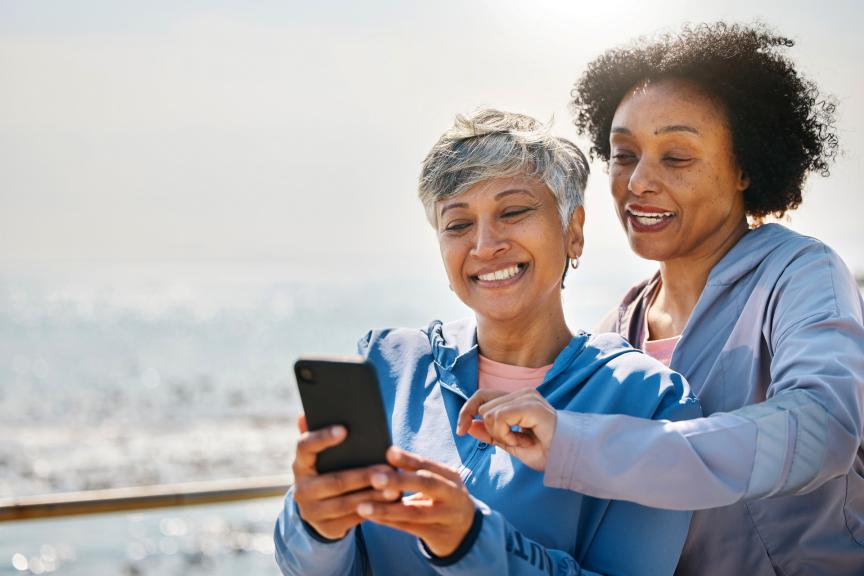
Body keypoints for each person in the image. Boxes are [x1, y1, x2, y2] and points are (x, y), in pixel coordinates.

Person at [458, 23, 864, 575]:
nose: (638, 182)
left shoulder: (798, 273)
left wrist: (579, 443)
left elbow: (822, 429)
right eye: (624, 154)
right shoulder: (616, 329)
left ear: (745, 167)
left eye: (676, 157)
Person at [274, 109, 701, 575]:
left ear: (573, 232)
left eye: (513, 212)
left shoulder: (651, 403)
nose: (484, 244)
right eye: (457, 225)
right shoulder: (388, 365)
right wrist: (315, 526)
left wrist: (472, 541)